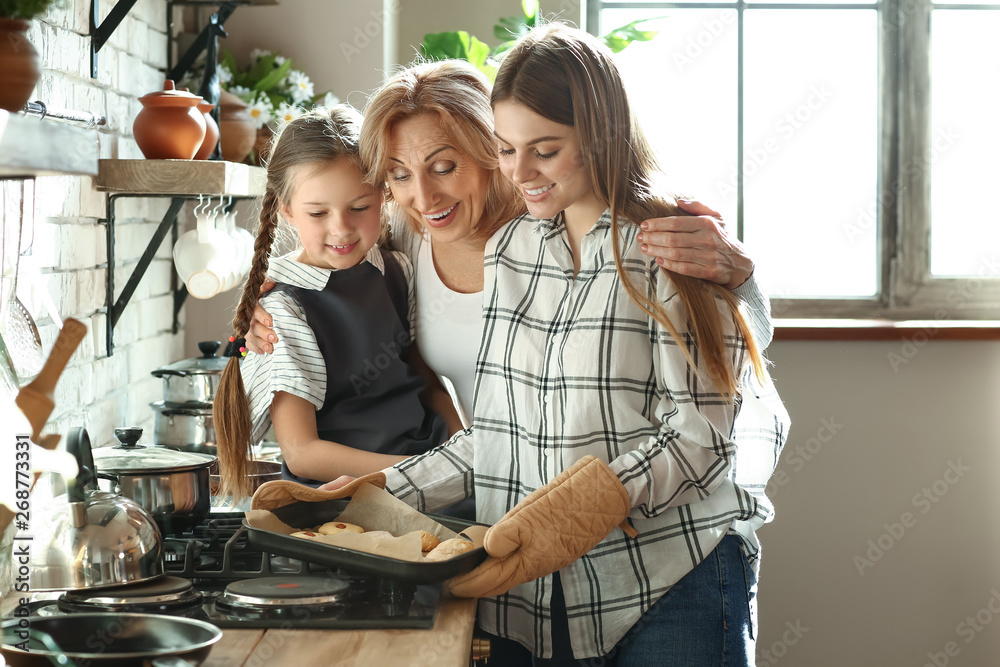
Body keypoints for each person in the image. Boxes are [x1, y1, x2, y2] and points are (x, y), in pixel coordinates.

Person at [355, 25, 790, 666]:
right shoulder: (513, 252)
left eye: (545, 150)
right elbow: (497, 434)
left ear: (602, 134)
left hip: (672, 578)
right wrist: (373, 493)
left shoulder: (670, 246)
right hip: (543, 592)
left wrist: (582, 504)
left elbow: (703, 442)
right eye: (507, 149)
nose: (521, 173)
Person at [244, 60, 774, 428]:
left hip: (626, 516)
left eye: (445, 167)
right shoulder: (404, 238)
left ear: (492, 150)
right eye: (399, 176)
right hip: (485, 499)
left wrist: (743, 279)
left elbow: (742, 347)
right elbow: (327, 245)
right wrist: (262, 310)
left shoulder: (559, 213)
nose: (423, 197)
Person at [212, 106, 454, 500]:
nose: (341, 228)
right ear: (287, 210)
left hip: (432, 474)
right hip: (349, 499)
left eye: (359, 207)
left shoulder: (396, 267)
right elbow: (302, 453)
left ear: (383, 196)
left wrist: (463, 453)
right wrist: (418, 471)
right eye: (318, 212)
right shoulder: (283, 310)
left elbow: (424, 381)